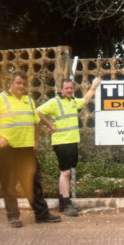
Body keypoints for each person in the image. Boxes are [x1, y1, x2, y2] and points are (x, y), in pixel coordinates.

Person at [0, 71, 61, 228]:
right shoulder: (0, 99)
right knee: (9, 183)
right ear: (11, 83)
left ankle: (42, 214)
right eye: (18, 83)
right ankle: (13, 217)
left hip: (26, 149)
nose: (21, 86)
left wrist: (35, 141)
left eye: (24, 84)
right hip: (8, 149)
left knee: (33, 182)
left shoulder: (29, 101)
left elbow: (36, 122)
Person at [37, 76, 101, 216]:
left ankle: (62, 202)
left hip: (72, 141)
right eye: (66, 88)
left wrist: (93, 86)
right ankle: (67, 203)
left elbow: (85, 100)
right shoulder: (54, 102)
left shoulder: (73, 102)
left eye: (71, 88)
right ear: (61, 89)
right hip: (61, 142)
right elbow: (38, 112)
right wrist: (50, 124)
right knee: (65, 172)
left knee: (66, 172)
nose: (69, 90)